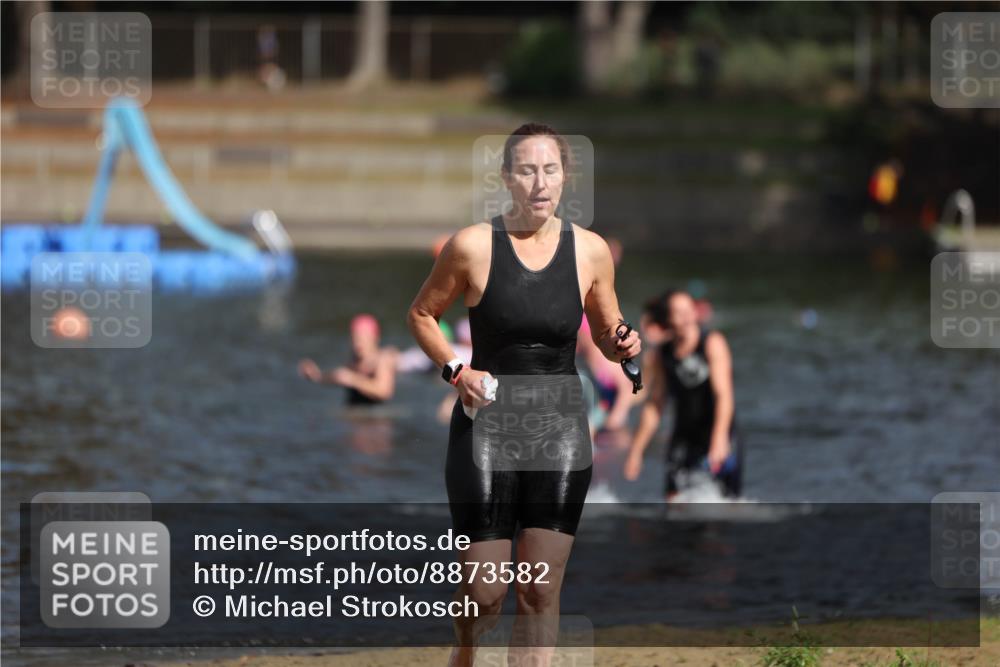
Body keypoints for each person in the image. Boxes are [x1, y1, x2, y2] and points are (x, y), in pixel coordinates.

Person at [407, 123, 640, 667]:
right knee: (486, 592)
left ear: (566, 177)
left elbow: (608, 334)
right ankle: (465, 652)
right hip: (485, 424)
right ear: (508, 178)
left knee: (539, 589)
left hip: (559, 428)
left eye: (551, 170)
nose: (541, 182)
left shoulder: (590, 251)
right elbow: (421, 316)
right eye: (528, 170)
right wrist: (455, 370)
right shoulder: (470, 246)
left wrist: (626, 344)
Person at [624, 290, 742, 499]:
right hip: (683, 437)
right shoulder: (662, 354)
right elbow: (655, 405)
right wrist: (636, 450)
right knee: (673, 503)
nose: (687, 316)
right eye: (679, 312)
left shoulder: (712, 343)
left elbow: (724, 395)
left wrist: (719, 437)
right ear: (669, 319)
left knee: (725, 506)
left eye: (689, 309)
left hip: (719, 431)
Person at [298, 314, 398, 405]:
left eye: (364, 338)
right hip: (355, 416)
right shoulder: (355, 360)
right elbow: (340, 376)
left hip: (378, 419)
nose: (359, 343)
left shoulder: (383, 359)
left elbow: (384, 392)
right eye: (356, 338)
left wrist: (353, 380)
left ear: (375, 338)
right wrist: (316, 376)